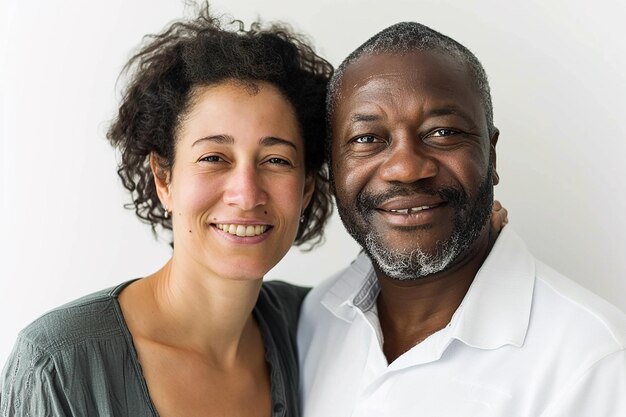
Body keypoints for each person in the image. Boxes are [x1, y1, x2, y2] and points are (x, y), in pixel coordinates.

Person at [0, 7, 334, 416]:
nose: (247, 194)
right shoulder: (59, 364)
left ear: (306, 188)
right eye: (214, 157)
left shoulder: (317, 327)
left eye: (277, 160)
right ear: (164, 177)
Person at [298, 22, 626, 416]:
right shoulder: (313, 319)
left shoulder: (595, 360)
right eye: (367, 139)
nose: (406, 168)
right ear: (332, 172)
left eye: (442, 132)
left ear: (492, 155)